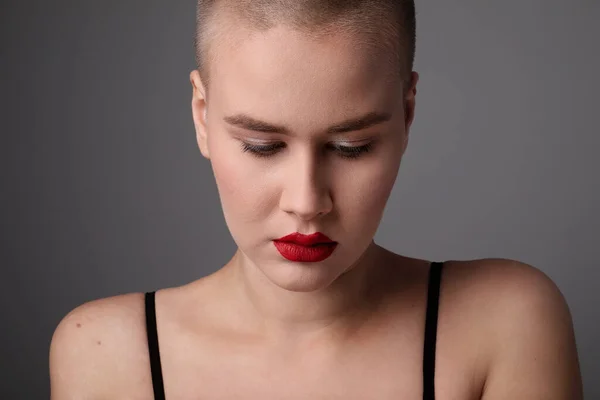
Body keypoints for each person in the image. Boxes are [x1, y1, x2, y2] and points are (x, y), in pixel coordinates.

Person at [49, 1, 583, 399]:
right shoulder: (107, 355)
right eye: (262, 146)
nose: (307, 203)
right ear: (202, 116)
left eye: (353, 147)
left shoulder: (505, 324)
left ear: (408, 115)